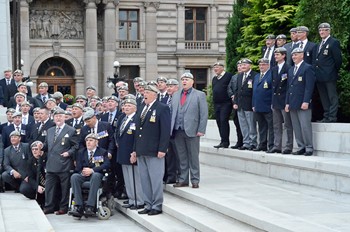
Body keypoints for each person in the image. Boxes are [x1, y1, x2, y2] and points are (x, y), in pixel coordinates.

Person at [131, 85, 171, 216]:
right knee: (144, 179)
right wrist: (135, 150)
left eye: (147, 92)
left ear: (155, 94)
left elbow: (165, 130)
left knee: (155, 179)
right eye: (144, 93)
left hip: (155, 150)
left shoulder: (162, 108)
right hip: (142, 150)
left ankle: (157, 204)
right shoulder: (142, 108)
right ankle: (148, 204)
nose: (145, 95)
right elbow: (137, 131)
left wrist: (162, 148)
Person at [171, 72, 208, 189]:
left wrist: (201, 129)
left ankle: (195, 180)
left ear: (192, 81)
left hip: (192, 130)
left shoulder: (199, 95)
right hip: (178, 130)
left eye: (187, 79)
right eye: (182, 79)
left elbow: (203, 113)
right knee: (181, 157)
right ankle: (183, 179)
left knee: (193, 156)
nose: (184, 81)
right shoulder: (176, 95)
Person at [41, 108, 79, 215]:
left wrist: (69, 153)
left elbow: (76, 146)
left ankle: (63, 207)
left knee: (64, 188)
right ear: (53, 118)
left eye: (60, 116)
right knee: (49, 187)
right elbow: (47, 145)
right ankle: (49, 206)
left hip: (64, 163)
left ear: (64, 118)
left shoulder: (71, 130)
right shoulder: (50, 130)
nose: (58, 118)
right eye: (56, 116)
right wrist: (41, 147)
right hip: (51, 163)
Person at [69, 133, 110, 217]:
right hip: (83, 175)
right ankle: (78, 206)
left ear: (96, 142)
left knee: (95, 176)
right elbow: (78, 167)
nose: (88, 142)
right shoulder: (81, 152)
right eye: (87, 140)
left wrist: (92, 170)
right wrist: (83, 172)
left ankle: (90, 206)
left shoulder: (102, 152)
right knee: (74, 177)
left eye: (91, 140)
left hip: (96, 175)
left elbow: (106, 165)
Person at [285, 48, 316, 156]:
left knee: (305, 125)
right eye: (293, 55)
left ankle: (309, 147)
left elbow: (309, 87)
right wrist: (287, 103)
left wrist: (306, 101)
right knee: (296, 126)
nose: (294, 57)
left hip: (303, 102)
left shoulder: (307, 68)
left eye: (296, 54)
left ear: (302, 55)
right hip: (293, 102)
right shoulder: (291, 70)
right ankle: (301, 146)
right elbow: (289, 87)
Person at [116, 99, 145, 210]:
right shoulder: (123, 118)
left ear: (135, 108)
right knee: (128, 179)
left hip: (132, 153)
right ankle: (132, 199)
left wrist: (135, 152)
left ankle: (139, 200)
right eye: (124, 105)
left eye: (129, 105)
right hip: (123, 152)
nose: (126, 107)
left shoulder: (137, 119)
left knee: (135, 178)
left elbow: (138, 138)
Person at [314, 23, 342, 123]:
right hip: (319, 76)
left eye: (324, 30)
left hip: (329, 75)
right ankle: (326, 116)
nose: (321, 32)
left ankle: (332, 117)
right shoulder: (319, 44)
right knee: (324, 97)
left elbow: (338, 60)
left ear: (329, 31)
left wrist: (332, 71)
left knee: (332, 97)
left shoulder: (333, 42)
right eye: (320, 30)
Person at [269, 47, 293, 154]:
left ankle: (288, 146)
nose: (276, 56)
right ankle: (277, 145)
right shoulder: (273, 69)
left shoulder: (288, 68)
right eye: (275, 54)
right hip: (275, 101)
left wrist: (288, 102)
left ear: (283, 55)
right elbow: (273, 86)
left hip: (284, 100)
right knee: (276, 125)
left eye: (278, 54)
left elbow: (289, 86)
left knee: (287, 124)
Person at [233, 58, 258, 150]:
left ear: (250, 65)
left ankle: (253, 142)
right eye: (242, 65)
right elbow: (237, 90)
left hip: (249, 104)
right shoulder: (240, 76)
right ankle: (246, 142)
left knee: (251, 124)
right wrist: (235, 102)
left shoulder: (255, 75)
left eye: (245, 65)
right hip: (240, 104)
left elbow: (255, 92)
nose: (243, 66)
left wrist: (254, 104)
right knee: (243, 125)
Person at [2, 131, 35, 199]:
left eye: (15, 137)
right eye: (11, 137)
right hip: (16, 174)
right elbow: (6, 165)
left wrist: (28, 175)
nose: (13, 139)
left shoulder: (26, 146)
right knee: (4, 175)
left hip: (26, 174)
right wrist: (13, 171)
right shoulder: (7, 150)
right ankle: (18, 187)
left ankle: (22, 188)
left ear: (19, 138)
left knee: (24, 189)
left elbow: (31, 161)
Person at [252, 58, 274, 152]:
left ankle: (271, 145)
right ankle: (262, 144)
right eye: (260, 65)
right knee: (261, 127)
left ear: (268, 65)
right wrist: (253, 104)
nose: (261, 66)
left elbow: (273, 91)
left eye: (264, 65)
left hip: (268, 105)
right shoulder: (257, 76)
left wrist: (273, 103)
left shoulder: (271, 75)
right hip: (258, 105)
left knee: (271, 127)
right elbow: (254, 91)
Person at [212, 62, 233, 148]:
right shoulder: (214, 78)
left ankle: (225, 142)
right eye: (214, 67)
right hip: (217, 103)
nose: (215, 69)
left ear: (222, 68)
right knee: (219, 121)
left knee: (224, 120)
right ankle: (222, 140)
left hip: (226, 103)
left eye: (217, 67)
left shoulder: (228, 76)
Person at [164, 79, 180, 184]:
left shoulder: (179, 98)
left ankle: (180, 175)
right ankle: (171, 175)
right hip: (167, 131)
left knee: (178, 154)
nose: (169, 88)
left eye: (171, 86)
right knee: (169, 155)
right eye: (168, 86)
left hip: (176, 130)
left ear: (177, 87)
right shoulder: (165, 99)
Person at [227, 60, 244, 149]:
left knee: (245, 124)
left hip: (243, 103)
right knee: (237, 123)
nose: (239, 67)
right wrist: (232, 95)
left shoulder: (247, 77)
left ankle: (246, 141)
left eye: (241, 66)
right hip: (235, 104)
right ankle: (239, 141)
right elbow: (229, 88)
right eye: (238, 66)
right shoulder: (234, 77)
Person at [27, 141, 47, 208]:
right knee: (24, 189)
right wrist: (37, 187)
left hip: (49, 183)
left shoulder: (47, 158)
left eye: (36, 149)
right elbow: (30, 178)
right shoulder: (30, 161)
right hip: (39, 184)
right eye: (33, 149)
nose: (34, 151)